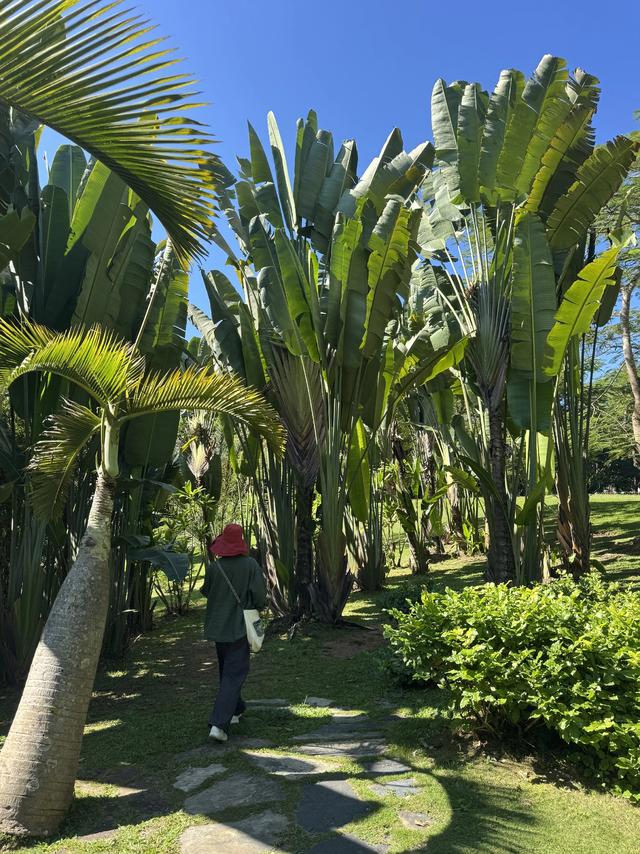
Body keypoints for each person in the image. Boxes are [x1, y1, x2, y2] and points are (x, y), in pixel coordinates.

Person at [201, 523, 267, 742]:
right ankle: (219, 725)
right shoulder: (250, 565)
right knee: (234, 673)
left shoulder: (214, 568)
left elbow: (206, 591)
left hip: (218, 628)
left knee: (227, 670)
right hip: (239, 627)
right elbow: (259, 597)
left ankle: (236, 710)